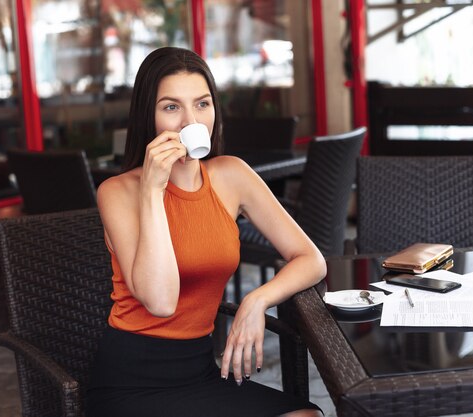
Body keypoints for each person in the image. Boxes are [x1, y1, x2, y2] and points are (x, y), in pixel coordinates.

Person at [87, 46, 326, 417]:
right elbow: (161, 302)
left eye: (201, 104)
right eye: (171, 107)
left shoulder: (232, 174)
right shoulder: (118, 193)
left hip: (199, 372)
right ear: (147, 116)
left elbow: (311, 259)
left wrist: (256, 300)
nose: (189, 122)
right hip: (130, 382)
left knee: (307, 415)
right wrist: (153, 189)